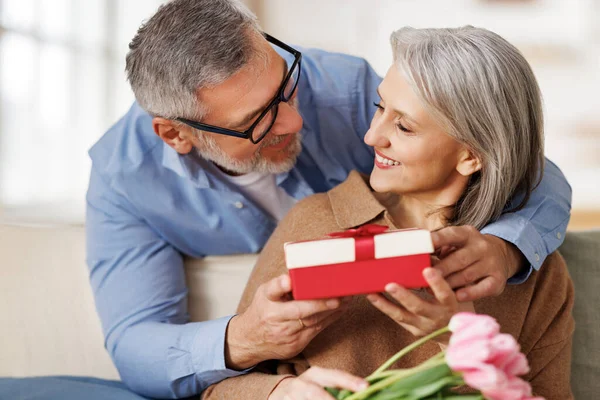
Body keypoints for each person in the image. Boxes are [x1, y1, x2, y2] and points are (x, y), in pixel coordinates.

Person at [0, 1, 571, 400]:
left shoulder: (344, 89)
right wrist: (245, 342)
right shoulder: (126, 180)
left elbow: (511, 155)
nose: (297, 118)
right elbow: (138, 346)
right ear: (176, 135)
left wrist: (508, 248)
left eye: (285, 88)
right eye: (259, 121)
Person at [201, 26, 575, 400]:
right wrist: (279, 393)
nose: (371, 137)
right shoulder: (314, 222)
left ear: (471, 156)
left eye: (404, 126)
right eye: (380, 108)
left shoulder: (531, 271)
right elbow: (219, 390)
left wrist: (458, 343)